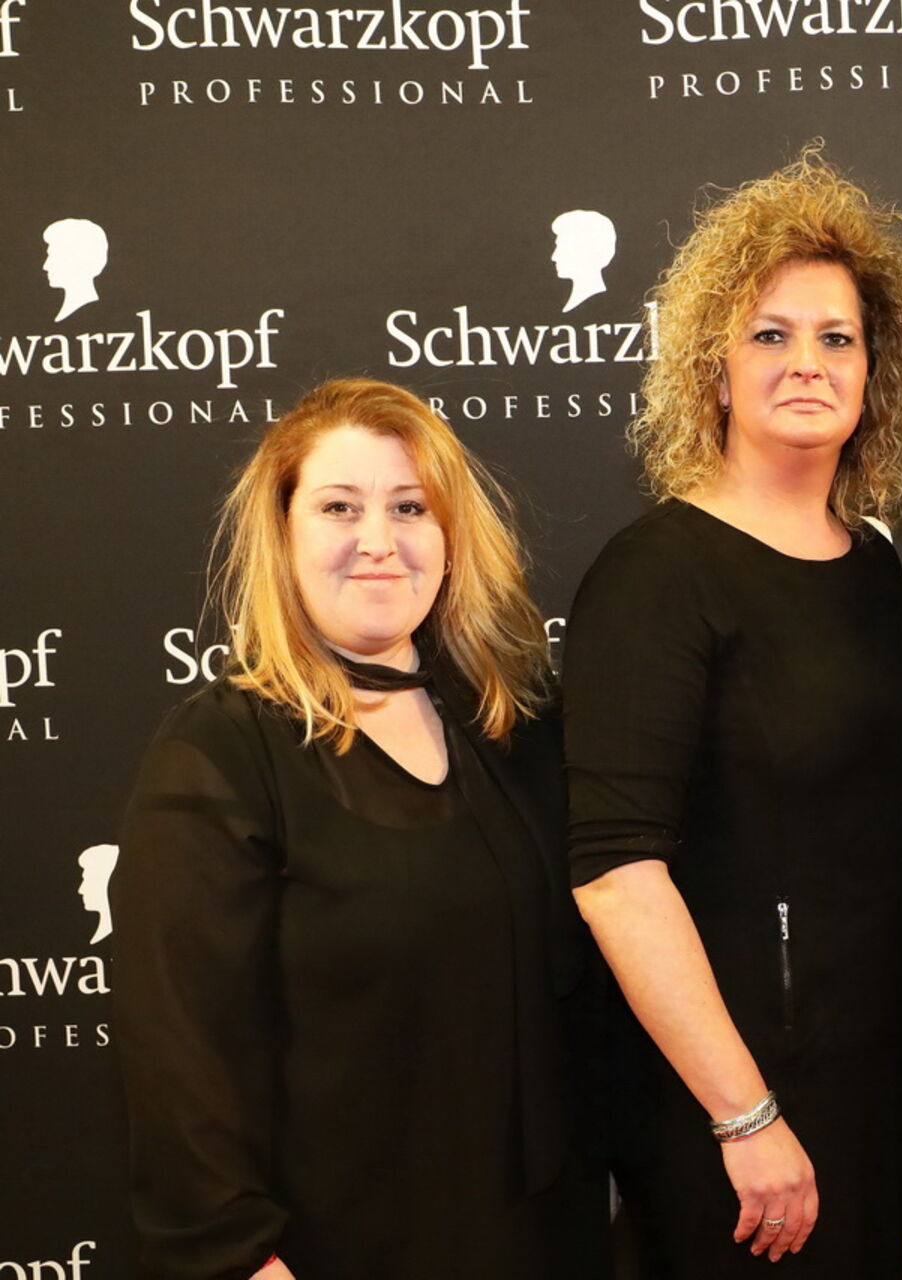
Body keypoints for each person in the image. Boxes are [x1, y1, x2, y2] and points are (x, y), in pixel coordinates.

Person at [112, 379, 610, 1280]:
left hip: (535, 1243)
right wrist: (237, 1259)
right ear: (284, 534)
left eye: (410, 507)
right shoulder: (221, 754)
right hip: (328, 1252)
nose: (378, 540)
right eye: (340, 507)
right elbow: (180, 1058)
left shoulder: (517, 729)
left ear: (450, 538)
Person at [564, 151, 902, 1275]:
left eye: (838, 338)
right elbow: (616, 873)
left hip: (870, 1084)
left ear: (875, 373)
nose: (807, 362)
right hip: (728, 1111)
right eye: (770, 335)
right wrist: (745, 1114)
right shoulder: (657, 574)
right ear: (716, 373)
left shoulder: (873, 564)